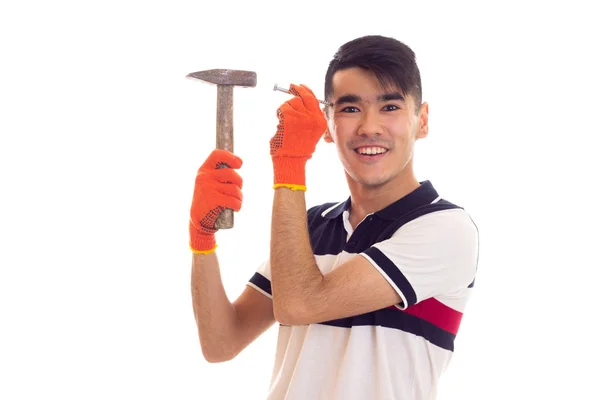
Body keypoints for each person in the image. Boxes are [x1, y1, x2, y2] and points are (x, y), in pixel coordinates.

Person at [188, 35, 479, 400]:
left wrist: (290, 165)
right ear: (326, 125)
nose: (369, 127)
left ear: (422, 120)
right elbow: (221, 343)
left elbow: (299, 305)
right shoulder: (309, 226)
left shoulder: (445, 229)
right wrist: (201, 240)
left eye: (389, 107)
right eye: (350, 109)